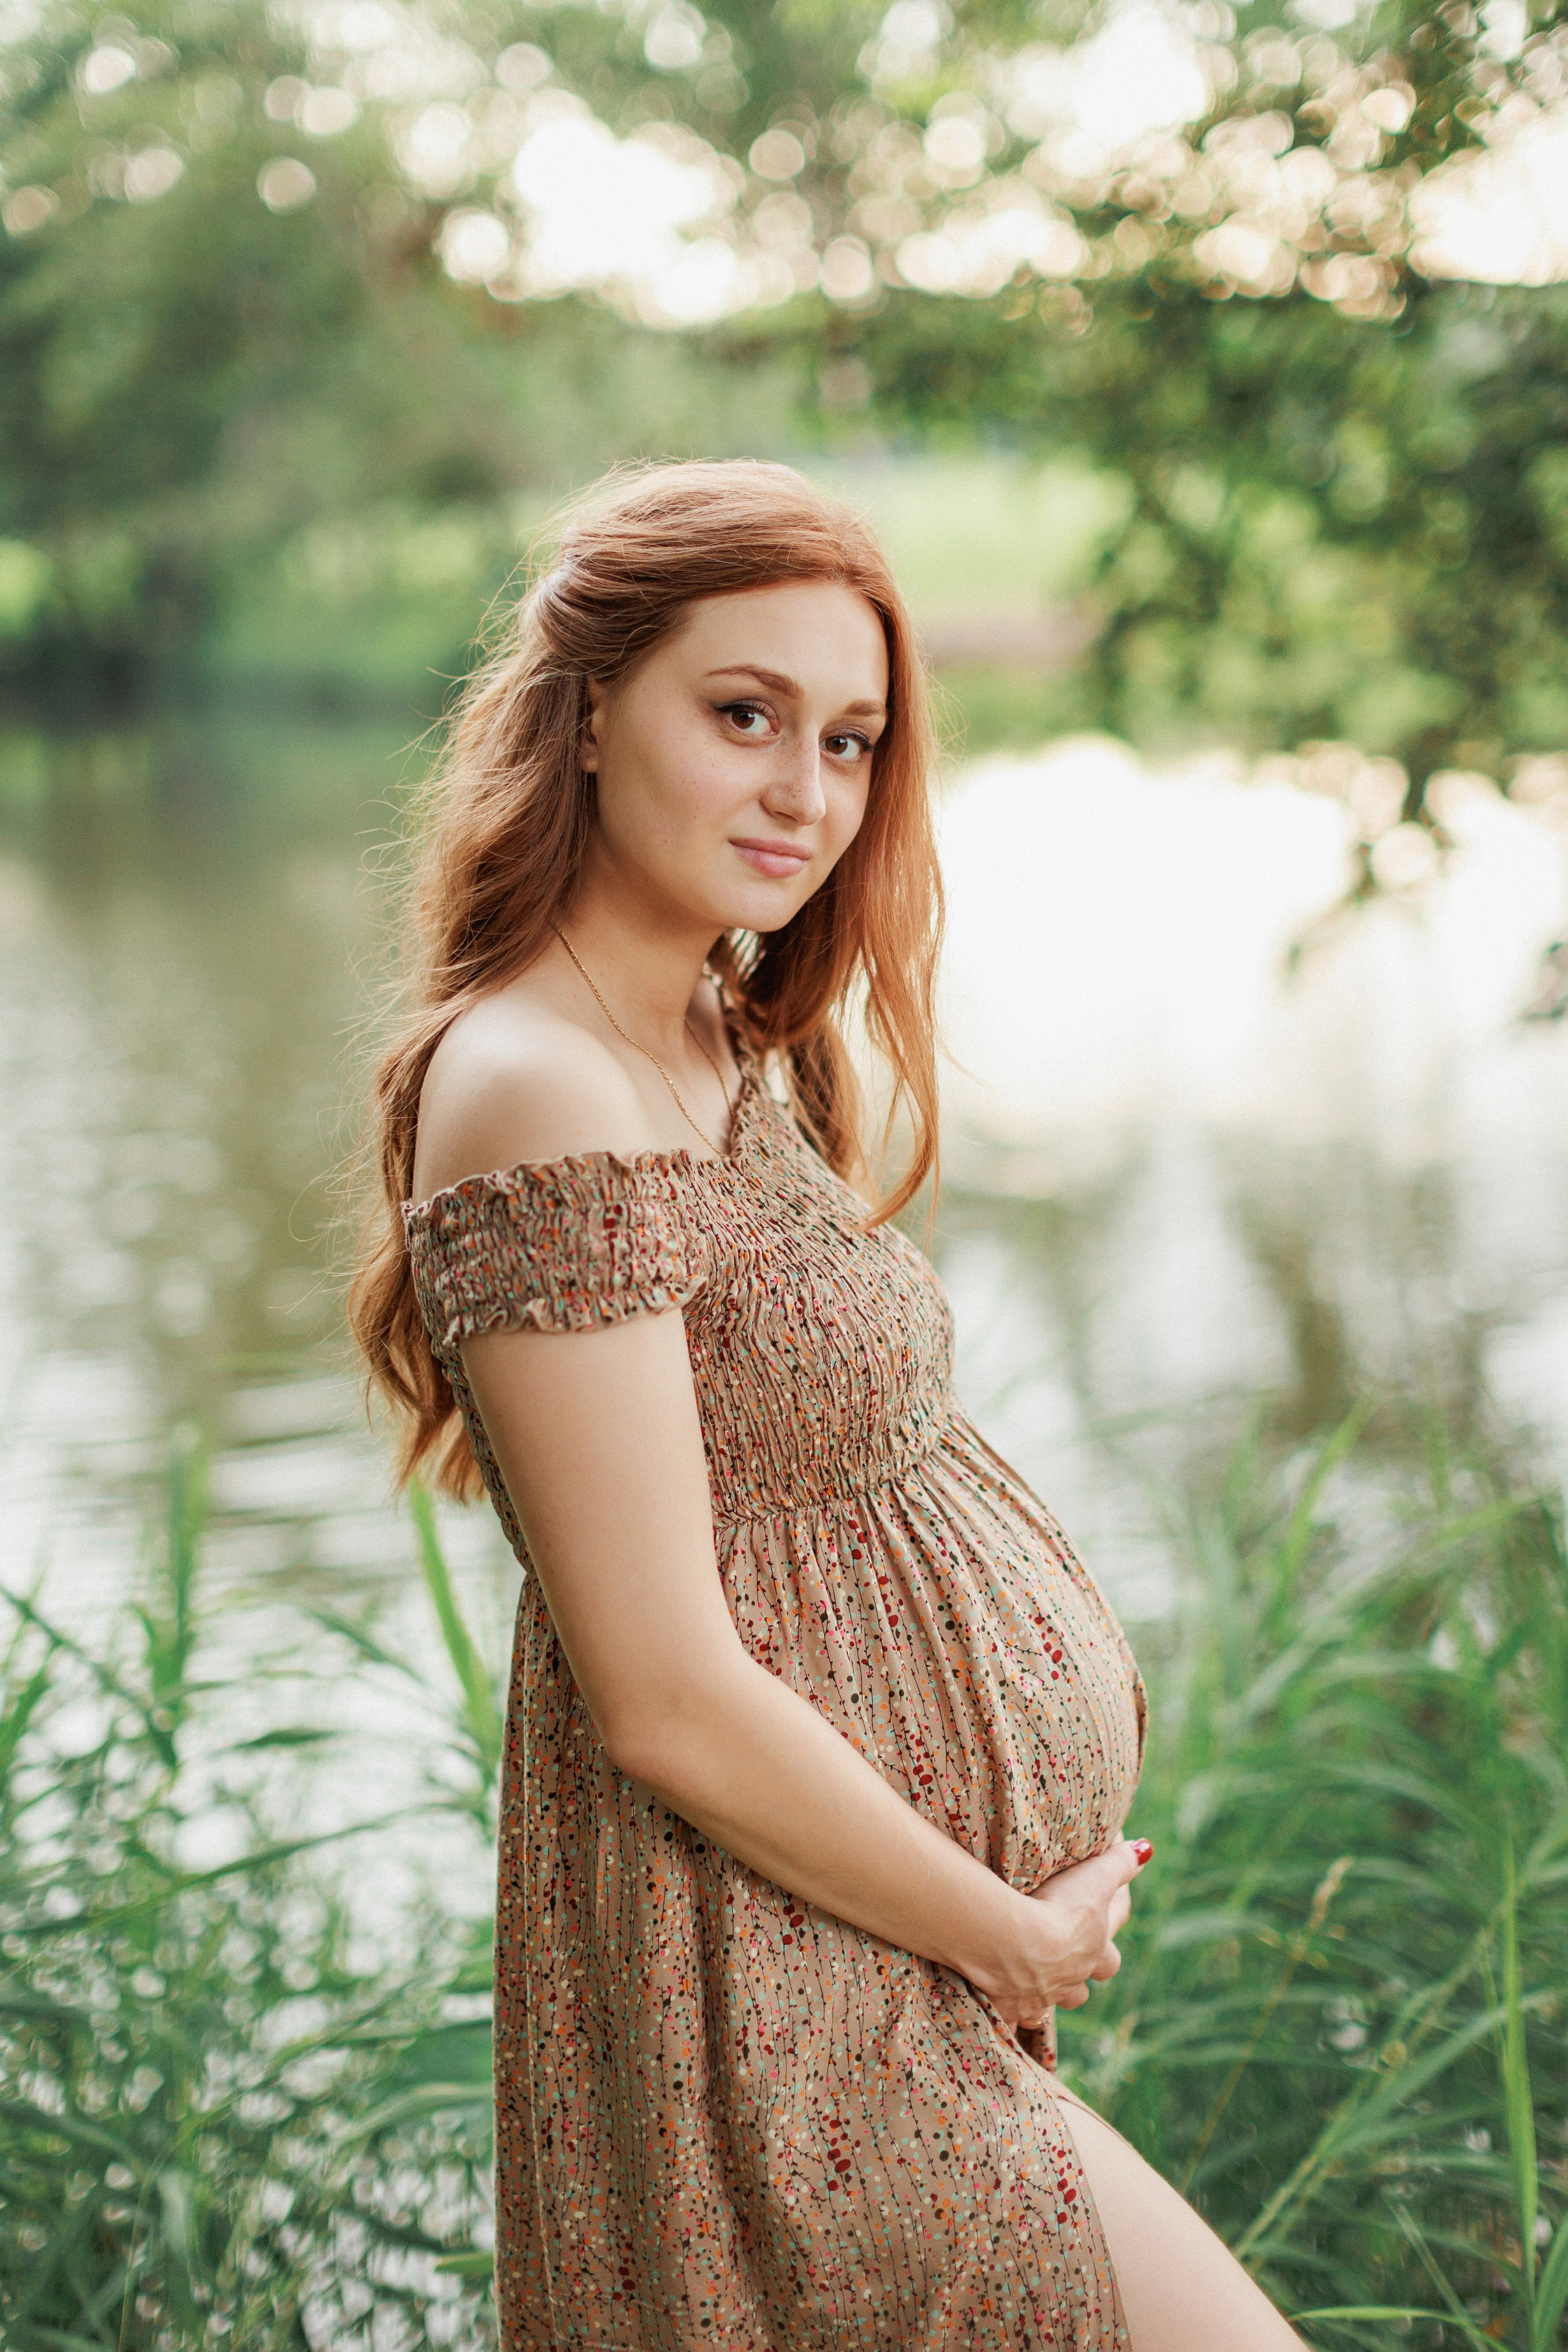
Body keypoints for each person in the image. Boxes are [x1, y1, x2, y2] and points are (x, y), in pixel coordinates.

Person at [351, 459, 1305, 2350]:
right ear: (590, 711)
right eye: (745, 715)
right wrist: (1004, 1927)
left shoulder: (710, 1023)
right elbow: (664, 1692)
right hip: (771, 1976)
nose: (807, 792)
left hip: (878, 1945)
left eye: (853, 740)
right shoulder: (541, 1080)